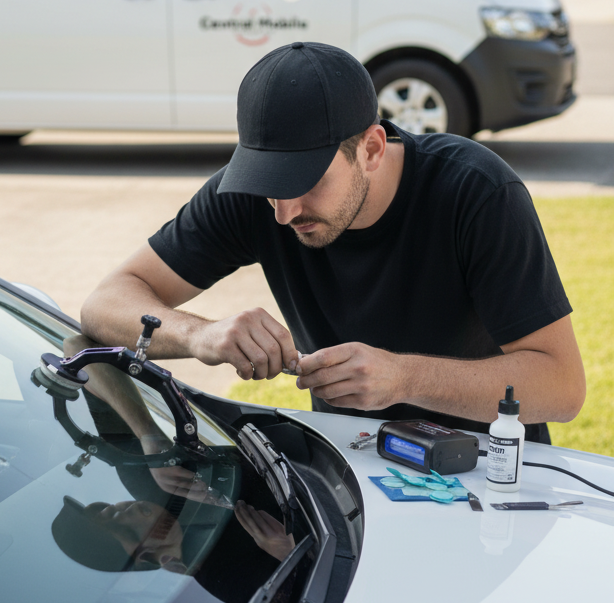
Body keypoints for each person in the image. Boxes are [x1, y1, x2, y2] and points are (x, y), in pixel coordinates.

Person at [80, 42, 585, 441]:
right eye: (268, 181)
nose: (283, 212)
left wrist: (405, 378)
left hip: (482, 477)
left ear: (370, 148)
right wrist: (199, 335)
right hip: (349, 467)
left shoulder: (475, 192)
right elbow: (105, 305)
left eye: (304, 180)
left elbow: (561, 386)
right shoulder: (258, 196)